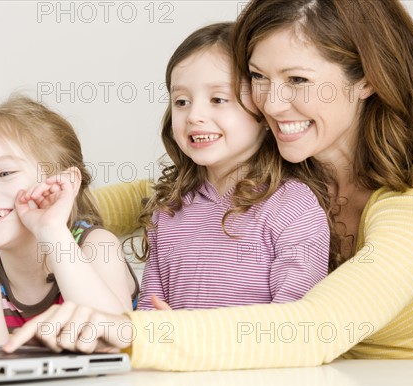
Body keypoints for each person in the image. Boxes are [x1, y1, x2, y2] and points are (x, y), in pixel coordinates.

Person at [4, 0, 413, 369]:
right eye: (258, 77)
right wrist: (12, 206)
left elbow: (317, 327)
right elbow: (144, 198)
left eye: (298, 80)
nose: (271, 102)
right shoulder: (291, 166)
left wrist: (127, 331)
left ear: (367, 79)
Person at [133, 22, 330, 311]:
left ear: (262, 112)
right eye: (181, 101)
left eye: (218, 99)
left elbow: (294, 325)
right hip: (172, 356)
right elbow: (150, 315)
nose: (195, 115)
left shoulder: (292, 208)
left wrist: (193, 340)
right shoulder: (168, 211)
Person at [0, 95, 138, 345]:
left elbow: (114, 345)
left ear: (64, 183)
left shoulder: (96, 246)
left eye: (5, 173)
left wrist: (51, 230)